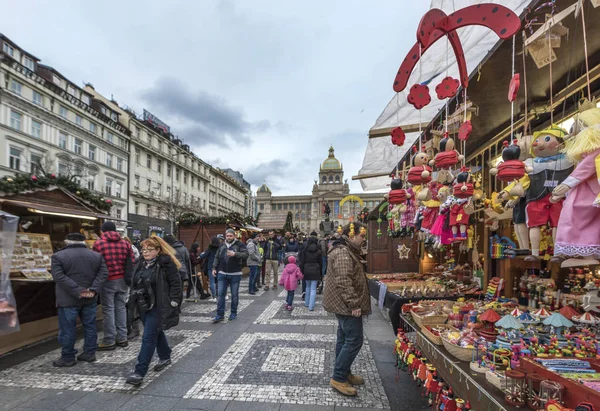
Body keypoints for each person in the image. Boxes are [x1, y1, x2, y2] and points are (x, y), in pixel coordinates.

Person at [126, 236, 182, 386]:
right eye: (143, 249)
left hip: (159, 306)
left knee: (148, 337)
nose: (145, 252)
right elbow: (134, 280)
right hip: (144, 305)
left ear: (158, 250)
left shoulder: (165, 264)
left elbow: (176, 284)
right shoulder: (140, 264)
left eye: (149, 249)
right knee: (156, 332)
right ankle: (165, 355)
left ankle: (139, 372)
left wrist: (174, 302)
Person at [323, 221, 371, 397]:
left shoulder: (347, 250)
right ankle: (338, 378)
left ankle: (344, 372)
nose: (363, 239)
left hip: (342, 305)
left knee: (343, 339)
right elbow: (344, 281)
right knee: (354, 340)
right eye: (362, 236)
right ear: (351, 235)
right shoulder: (343, 252)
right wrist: (354, 304)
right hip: (346, 306)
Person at [50, 233, 108, 367]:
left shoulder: (58, 256)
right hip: (90, 298)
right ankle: (89, 353)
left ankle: (68, 357)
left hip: (67, 298)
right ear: (84, 242)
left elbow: (59, 277)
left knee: (67, 328)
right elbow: (103, 273)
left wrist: (78, 290)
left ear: (66, 241)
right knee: (90, 325)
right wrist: (92, 289)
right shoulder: (96, 256)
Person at [94, 221, 134, 351]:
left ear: (103, 231)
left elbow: (94, 263)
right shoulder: (125, 243)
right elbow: (132, 260)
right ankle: (122, 337)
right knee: (121, 308)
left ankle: (109, 339)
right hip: (122, 279)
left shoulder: (99, 244)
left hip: (107, 280)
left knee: (108, 310)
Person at [211, 229, 249, 323]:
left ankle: (233, 313)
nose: (228, 237)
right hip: (222, 273)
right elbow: (216, 257)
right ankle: (220, 315)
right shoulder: (222, 245)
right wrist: (214, 268)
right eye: (227, 236)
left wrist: (235, 254)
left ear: (234, 236)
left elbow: (246, 255)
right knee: (220, 295)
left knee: (234, 295)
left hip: (235, 274)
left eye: (230, 236)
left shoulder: (240, 244)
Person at [164, 234, 194, 299]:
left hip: (169, 271)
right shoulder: (183, 248)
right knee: (180, 289)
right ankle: (178, 304)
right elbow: (187, 258)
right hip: (181, 270)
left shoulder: (166, 249)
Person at [300, 236, 322, 311]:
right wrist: (321, 273)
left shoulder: (305, 251)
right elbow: (321, 263)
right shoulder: (318, 251)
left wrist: (302, 270)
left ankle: (306, 302)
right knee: (313, 289)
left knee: (307, 287)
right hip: (316, 269)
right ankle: (311, 306)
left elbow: (302, 262)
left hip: (307, 269)